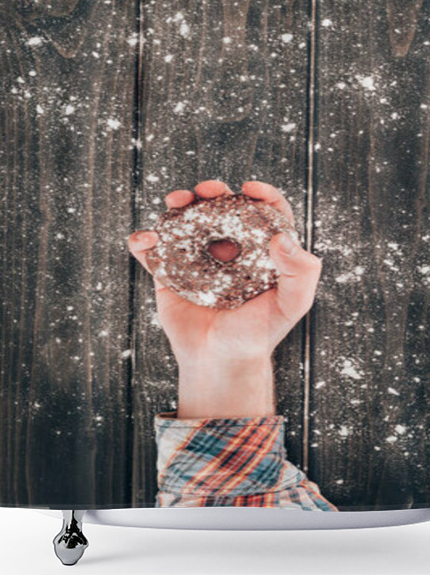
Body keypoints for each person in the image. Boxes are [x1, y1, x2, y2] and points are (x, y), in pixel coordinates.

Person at [128, 178, 337, 510]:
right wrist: (220, 359)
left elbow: (222, 503)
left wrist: (222, 359)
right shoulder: (326, 555)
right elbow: (236, 497)